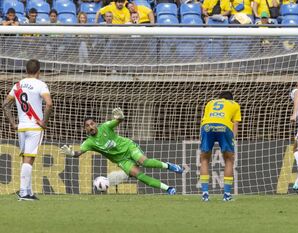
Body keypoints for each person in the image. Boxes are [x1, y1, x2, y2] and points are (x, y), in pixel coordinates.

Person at [60, 108, 183, 194]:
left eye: (92, 124)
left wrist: (120, 117)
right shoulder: (89, 142)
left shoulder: (106, 126)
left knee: (144, 162)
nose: (90, 127)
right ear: (85, 129)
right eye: (87, 126)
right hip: (122, 161)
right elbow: (78, 153)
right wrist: (71, 153)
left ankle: (169, 166)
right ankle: (168, 189)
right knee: (139, 175)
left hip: (128, 148)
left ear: (96, 124)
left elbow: (119, 120)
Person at [2, 59, 53, 201]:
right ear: (39, 71)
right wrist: (44, 122)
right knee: (28, 159)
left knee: (27, 159)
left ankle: (28, 191)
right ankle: (24, 192)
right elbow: (49, 104)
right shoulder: (41, 84)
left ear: (26, 71)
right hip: (34, 126)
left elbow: (5, 104)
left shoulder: (17, 85)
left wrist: (13, 123)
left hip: (22, 127)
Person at [199, 91, 241, 201]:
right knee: (229, 159)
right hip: (224, 126)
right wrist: (233, 138)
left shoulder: (210, 103)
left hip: (207, 127)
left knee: (204, 159)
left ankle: (205, 194)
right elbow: (235, 123)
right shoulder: (234, 104)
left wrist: (202, 136)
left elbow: (203, 120)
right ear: (231, 99)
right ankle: (226, 195)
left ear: (219, 98)